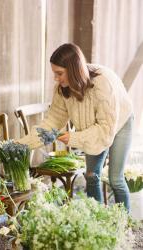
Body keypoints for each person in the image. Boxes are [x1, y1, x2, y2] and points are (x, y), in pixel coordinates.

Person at [18, 43, 134, 211]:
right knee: (91, 175)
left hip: (120, 123)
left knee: (115, 178)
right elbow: (51, 123)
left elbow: (104, 130)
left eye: (59, 73)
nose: (56, 79)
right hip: (95, 129)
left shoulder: (103, 84)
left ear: (73, 69)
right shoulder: (62, 89)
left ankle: (126, 223)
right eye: (54, 73)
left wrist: (73, 138)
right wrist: (21, 145)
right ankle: (98, 218)